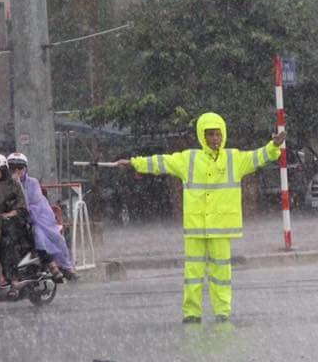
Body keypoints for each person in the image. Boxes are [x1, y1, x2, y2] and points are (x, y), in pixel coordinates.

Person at [116, 112, 286, 323]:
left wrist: (273, 146)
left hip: (221, 228)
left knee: (221, 274)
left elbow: (257, 157)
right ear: (202, 136)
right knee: (193, 274)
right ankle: (192, 313)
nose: (215, 139)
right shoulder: (189, 159)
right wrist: (135, 163)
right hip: (196, 227)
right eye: (210, 135)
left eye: (218, 134)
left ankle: (222, 312)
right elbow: (161, 162)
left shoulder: (234, 158)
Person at [7, 152, 75, 281]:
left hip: (36, 218)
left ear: (25, 169)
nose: (17, 171)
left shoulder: (32, 183)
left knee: (44, 235)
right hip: (11, 219)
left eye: (20, 168)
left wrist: (18, 189)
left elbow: (32, 203)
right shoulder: (5, 185)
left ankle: (63, 267)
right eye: (12, 168)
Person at [0, 153, 34, 293]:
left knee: (5, 242)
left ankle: (13, 280)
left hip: (14, 222)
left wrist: (7, 215)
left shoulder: (13, 184)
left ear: (3, 170)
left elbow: (22, 208)